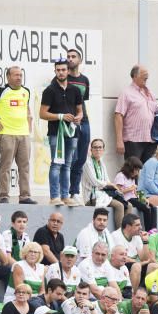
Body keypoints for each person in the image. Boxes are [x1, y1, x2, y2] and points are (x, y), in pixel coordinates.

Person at [39, 58, 84, 206]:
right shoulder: (49, 90)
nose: (61, 72)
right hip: (55, 133)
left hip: (71, 132)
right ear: (55, 71)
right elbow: (42, 114)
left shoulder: (75, 90)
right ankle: (54, 196)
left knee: (67, 164)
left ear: (68, 71)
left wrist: (77, 118)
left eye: (63, 70)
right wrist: (60, 116)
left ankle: (65, 196)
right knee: (56, 164)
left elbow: (80, 111)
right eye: (58, 70)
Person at [0, 65, 36, 204]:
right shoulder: (0, 92)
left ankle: (25, 196)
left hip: (23, 135)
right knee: (6, 166)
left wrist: (29, 125)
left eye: (20, 75)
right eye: (16, 75)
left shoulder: (26, 91)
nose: (19, 78)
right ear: (8, 77)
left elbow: (27, 109)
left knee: (25, 166)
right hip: (6, 134)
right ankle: (4, 195)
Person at [64, 48, 92, 205]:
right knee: (70, 158)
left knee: (81, 158)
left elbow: (83, 101)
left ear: (79, 60)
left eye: (73, 56)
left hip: (84, 120)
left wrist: (81, 116)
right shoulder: (63, 78)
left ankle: (75, 192)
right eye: (68, 56)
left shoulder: (84, 80)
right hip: (69, 122)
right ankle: (66, 192)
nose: (70, 59)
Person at [114, 65, 158, 162]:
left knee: (148, 172)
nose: (147, 75)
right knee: (132, 172)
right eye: (144, 73)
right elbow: (118, 116)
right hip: (133, 141)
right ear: (135, 76)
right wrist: (119, 140)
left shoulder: (149, 93)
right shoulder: (126, 93)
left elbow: (155, 111)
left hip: (151, 140)